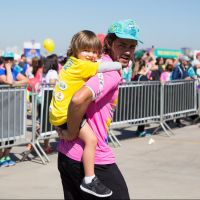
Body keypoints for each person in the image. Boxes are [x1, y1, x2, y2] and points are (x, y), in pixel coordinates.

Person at [56, 19, 142, 199]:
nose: (127, 51)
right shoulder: (109, 72)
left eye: (132, 47)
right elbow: (79, 98)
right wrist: (72, 131)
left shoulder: (94, 63)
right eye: (122, 45)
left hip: (66, 155)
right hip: (93, 162)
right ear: (109, 43)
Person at [49, 30, 122, 197]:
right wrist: (120, 66)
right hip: (65, 114)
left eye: (95, 51)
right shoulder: (81, 65)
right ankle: (90, 179)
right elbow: (102, 68)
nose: (92, 55)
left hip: (57, 112)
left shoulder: (69, 63)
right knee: (91, 139)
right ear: (75, 50)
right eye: (86, 51)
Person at [0, 51, 28, 167]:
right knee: (2, 134)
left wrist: (16, 82)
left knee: (11, 133)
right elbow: (8, 81)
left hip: (12, 107)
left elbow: (26, 80)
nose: (9, 61)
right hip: (2, 107)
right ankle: (1, 157)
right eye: (6, 59)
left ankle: (6, 155)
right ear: (3, 59)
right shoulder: (1, 70)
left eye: (10, 59)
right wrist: (7, 68)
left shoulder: (14, 70)